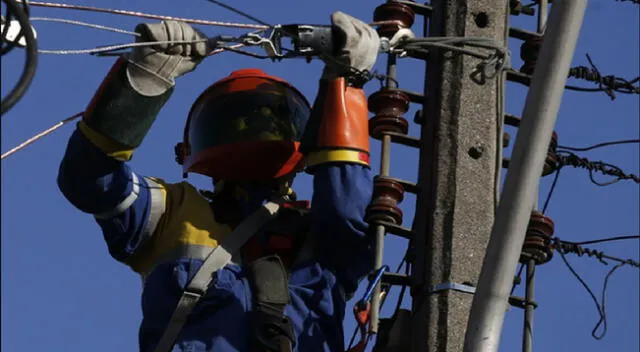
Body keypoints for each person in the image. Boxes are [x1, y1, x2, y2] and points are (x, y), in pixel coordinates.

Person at [57, 11, 380, 352]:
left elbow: (348, 213)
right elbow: (88, 178)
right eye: (238, 119)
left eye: (269, 118)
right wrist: (142, 82)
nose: (254, 128)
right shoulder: (172, 213)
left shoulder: (323, 233)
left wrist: (345, 90)